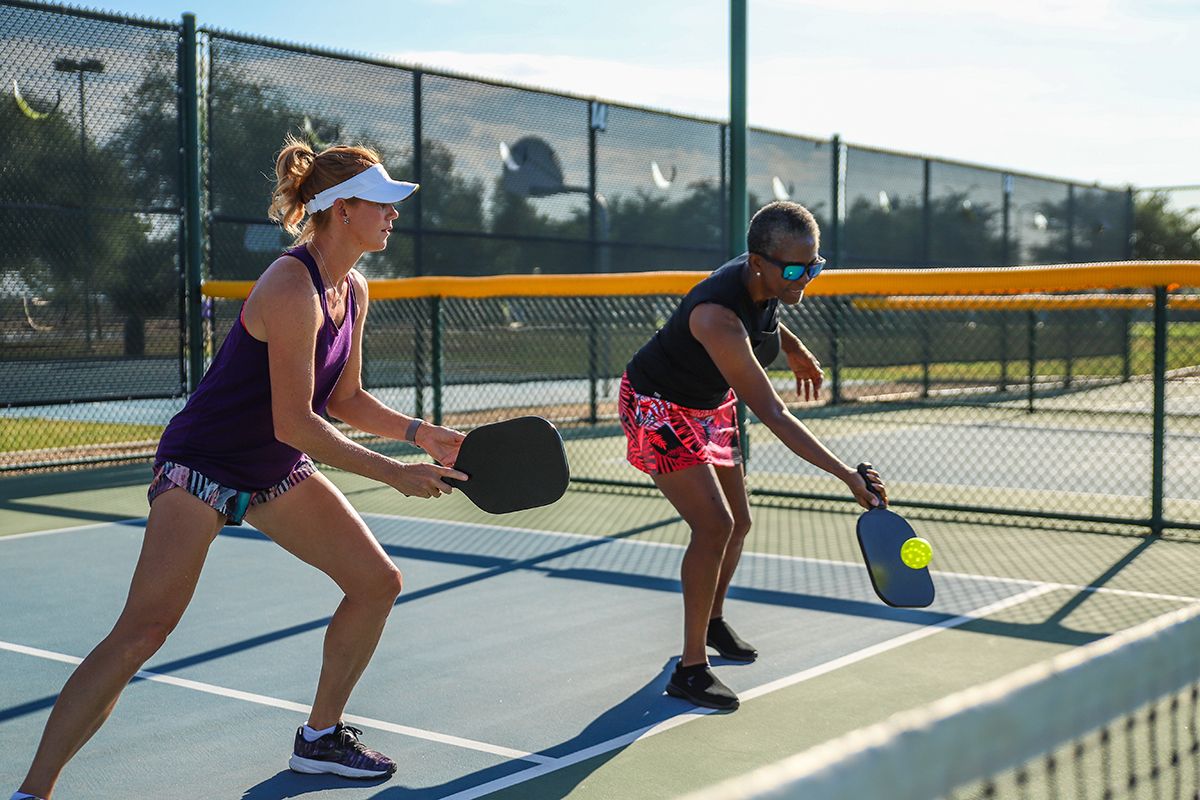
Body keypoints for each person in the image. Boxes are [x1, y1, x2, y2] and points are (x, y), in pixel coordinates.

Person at [10, 136, 468, 800]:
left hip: (272, 468)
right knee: (144, 630)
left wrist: (424, 434)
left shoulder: (354, 290)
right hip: (202, 464)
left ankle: (319, 739)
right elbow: (298, 423)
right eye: (382, 203)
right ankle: (34, 790)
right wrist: (394, 471)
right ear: (342, 210)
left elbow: (344, 398)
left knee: (376, 583)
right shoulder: (290, 284)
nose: (394, 214)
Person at [618, 200, 887, 712]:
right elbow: (774, 412)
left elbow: (766, 312)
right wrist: (846, 475)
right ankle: (690, 669)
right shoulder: (716, 317)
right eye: (793, 269)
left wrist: (793, 346)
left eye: (814, 266)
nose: (804, 278)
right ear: (756, 261)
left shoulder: (767, 279)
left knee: (739, 521)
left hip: (707, 399)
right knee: (714, 526)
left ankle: (713, 620)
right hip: (658, 404)